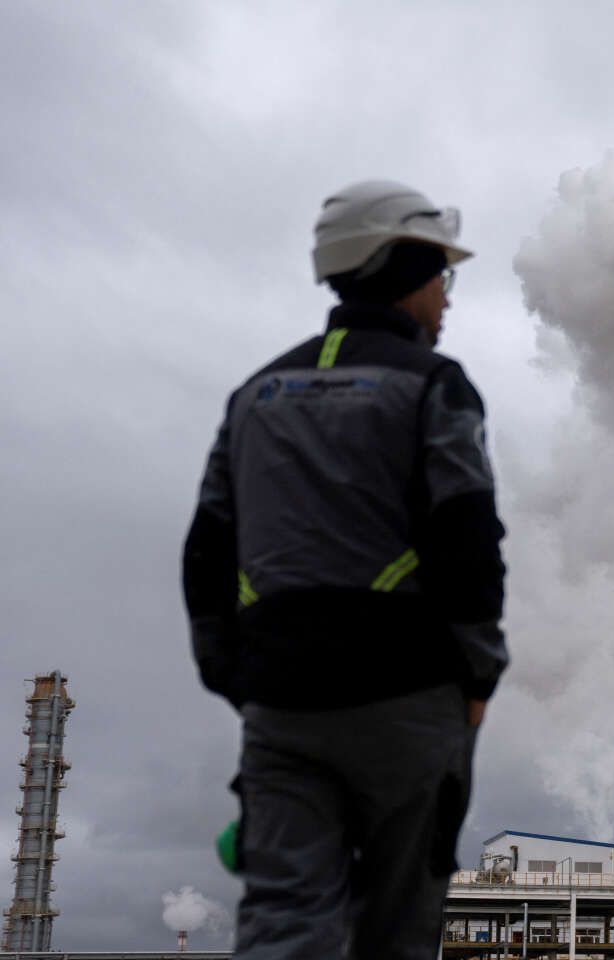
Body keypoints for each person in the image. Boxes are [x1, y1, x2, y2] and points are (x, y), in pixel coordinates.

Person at [181, 180, 507, 960]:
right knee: (397, 927)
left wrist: (235, 673)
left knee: (284, 920)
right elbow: (467, 539)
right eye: (441, 277)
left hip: (281, 705)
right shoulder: (435, 386)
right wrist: (477, 678)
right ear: (401, 269)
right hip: (409, 697)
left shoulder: (253, 395)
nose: (447, 300)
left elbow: (206, 551)